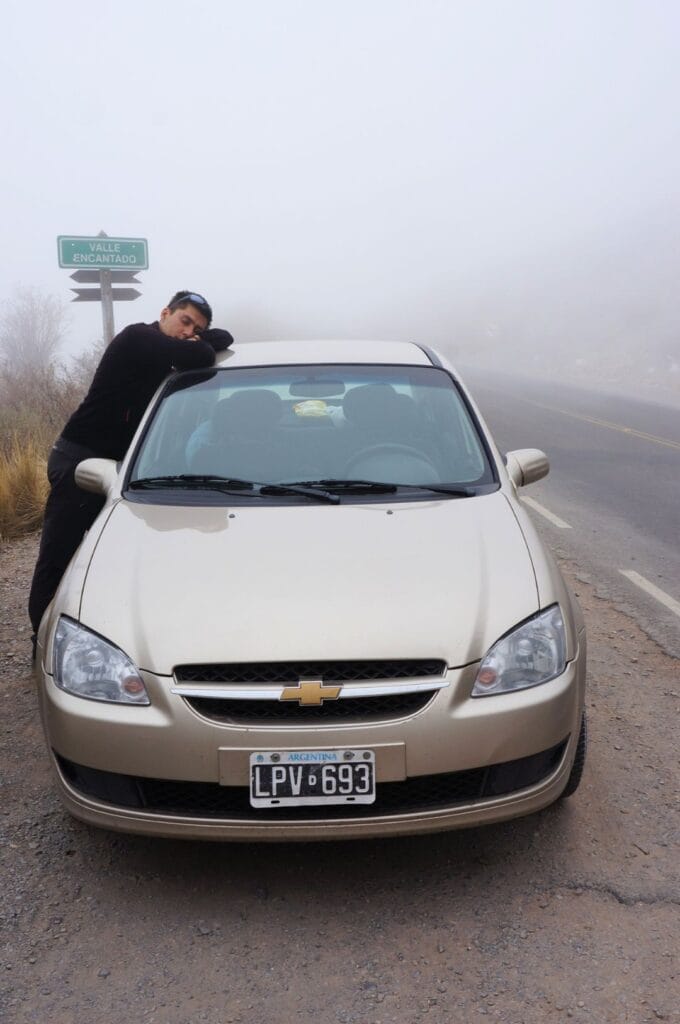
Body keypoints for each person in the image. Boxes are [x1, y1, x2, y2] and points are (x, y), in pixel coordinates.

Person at [28, 290, 234, 637]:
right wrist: (199, 342)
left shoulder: (167, 347)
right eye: (184, 320)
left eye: (195, 327)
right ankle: (42, 638)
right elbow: (199, 352)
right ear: (164, 312)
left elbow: (222, 339)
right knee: (60, 557)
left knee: (111, 554)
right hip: (79, 458)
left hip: (123, 467)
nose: (188, 331)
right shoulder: (136, 338)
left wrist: (202, 338)